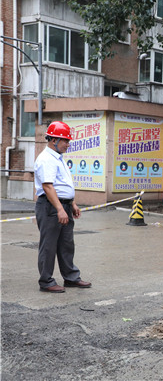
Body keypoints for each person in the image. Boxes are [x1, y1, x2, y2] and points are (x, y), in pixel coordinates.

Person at [34, 121, 91, 293]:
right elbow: (48, 186)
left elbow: (62, 185)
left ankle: (71, 278)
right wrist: (59, 208)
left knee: (66, 244)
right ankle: (46, 281)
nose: (68, 144)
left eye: (68, 140)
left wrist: (71, 203)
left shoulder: (58, 158)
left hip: (62, 205)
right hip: (50, 207)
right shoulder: (46, 159)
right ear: (53, 140)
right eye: (65, 140)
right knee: (49, 245)